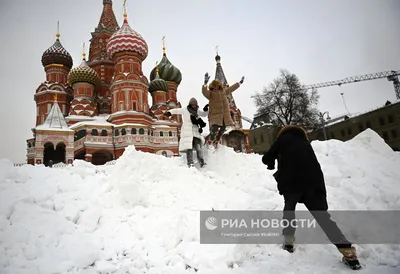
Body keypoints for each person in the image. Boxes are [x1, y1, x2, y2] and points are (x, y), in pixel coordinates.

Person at [261, 125, 361, 269]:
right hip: (313, 184)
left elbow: (266, 158)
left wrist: (272, 161)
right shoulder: (304, 143)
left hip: (292, 183)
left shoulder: (282, 140)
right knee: (323, 218)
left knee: (289, 210)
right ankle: (349, 253)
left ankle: (289, 241)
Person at [201, 73, 244, 148]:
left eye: (217, 85)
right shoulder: (211, 93)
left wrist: (239, 83)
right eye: (214, 85)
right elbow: (204, 92)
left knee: (223, 128)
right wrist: (205, 83)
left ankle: (217, 140)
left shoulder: (223, 91)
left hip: (224, 114)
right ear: (212, 86)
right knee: (215, 128)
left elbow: (231, 88)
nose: (216, 86)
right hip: (215, 114)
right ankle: (210, 140)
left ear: (219, 85)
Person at [164, 98, 208, 168]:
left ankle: (201, 161)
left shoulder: (197, 112)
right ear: (190, 105)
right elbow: (176, 110)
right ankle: (190, 163)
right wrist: (169, 112)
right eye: (192, 104)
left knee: (198, 147)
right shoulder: (185, 110)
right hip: (187, 132)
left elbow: (204, 114)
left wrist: (206, 110)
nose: (194, 106)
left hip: (195, 132)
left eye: (195, 105)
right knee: (189, 148)